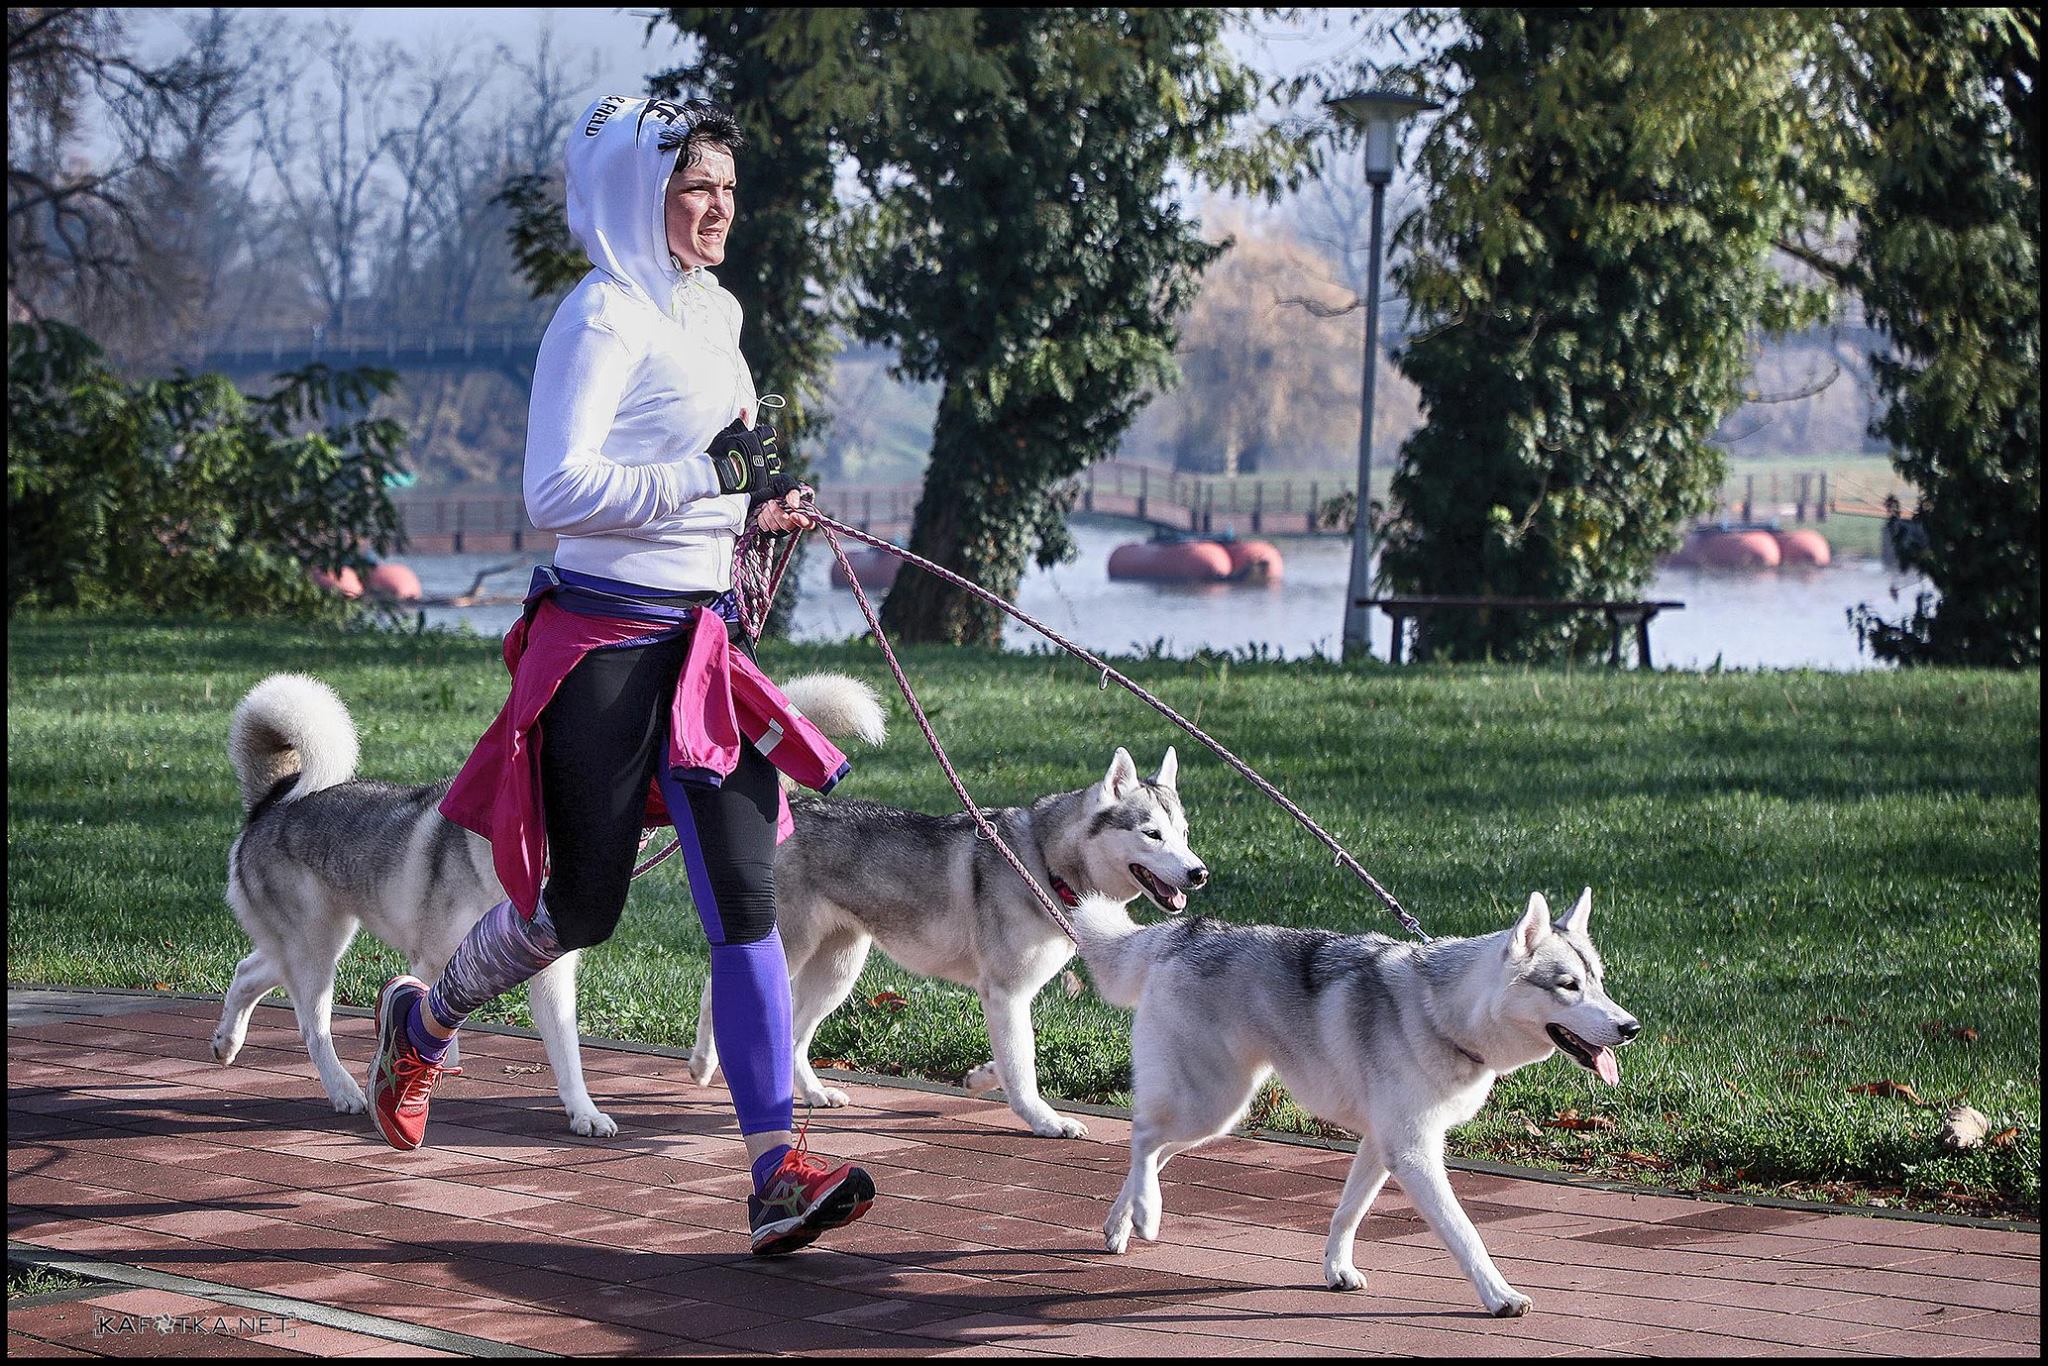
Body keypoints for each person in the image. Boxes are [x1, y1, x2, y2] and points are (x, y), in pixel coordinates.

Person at [362, 95, 876, 1258]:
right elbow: (555, 492)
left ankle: (772, 1174)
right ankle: (426, 1015)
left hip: (704, 652)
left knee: (747, 899)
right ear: (630, 193)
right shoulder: (598, 316)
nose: (718, 209)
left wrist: (752, 504)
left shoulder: (717, 311)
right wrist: (707, 475)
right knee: (577, 907)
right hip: (599, 646)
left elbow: (708, 477)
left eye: (728, 190)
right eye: (695, 187)